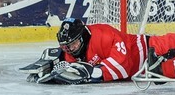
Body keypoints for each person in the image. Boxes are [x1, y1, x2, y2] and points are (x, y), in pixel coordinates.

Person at [23, 17, 151, 84]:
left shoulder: (104, 35)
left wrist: (91, 73)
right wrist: (50, 64)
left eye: (73, 44)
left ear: (82, 37)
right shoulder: (73, 49)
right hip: (145, 72)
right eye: (66, 46)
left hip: (152, 51)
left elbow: (123, 66)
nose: (70, 49)